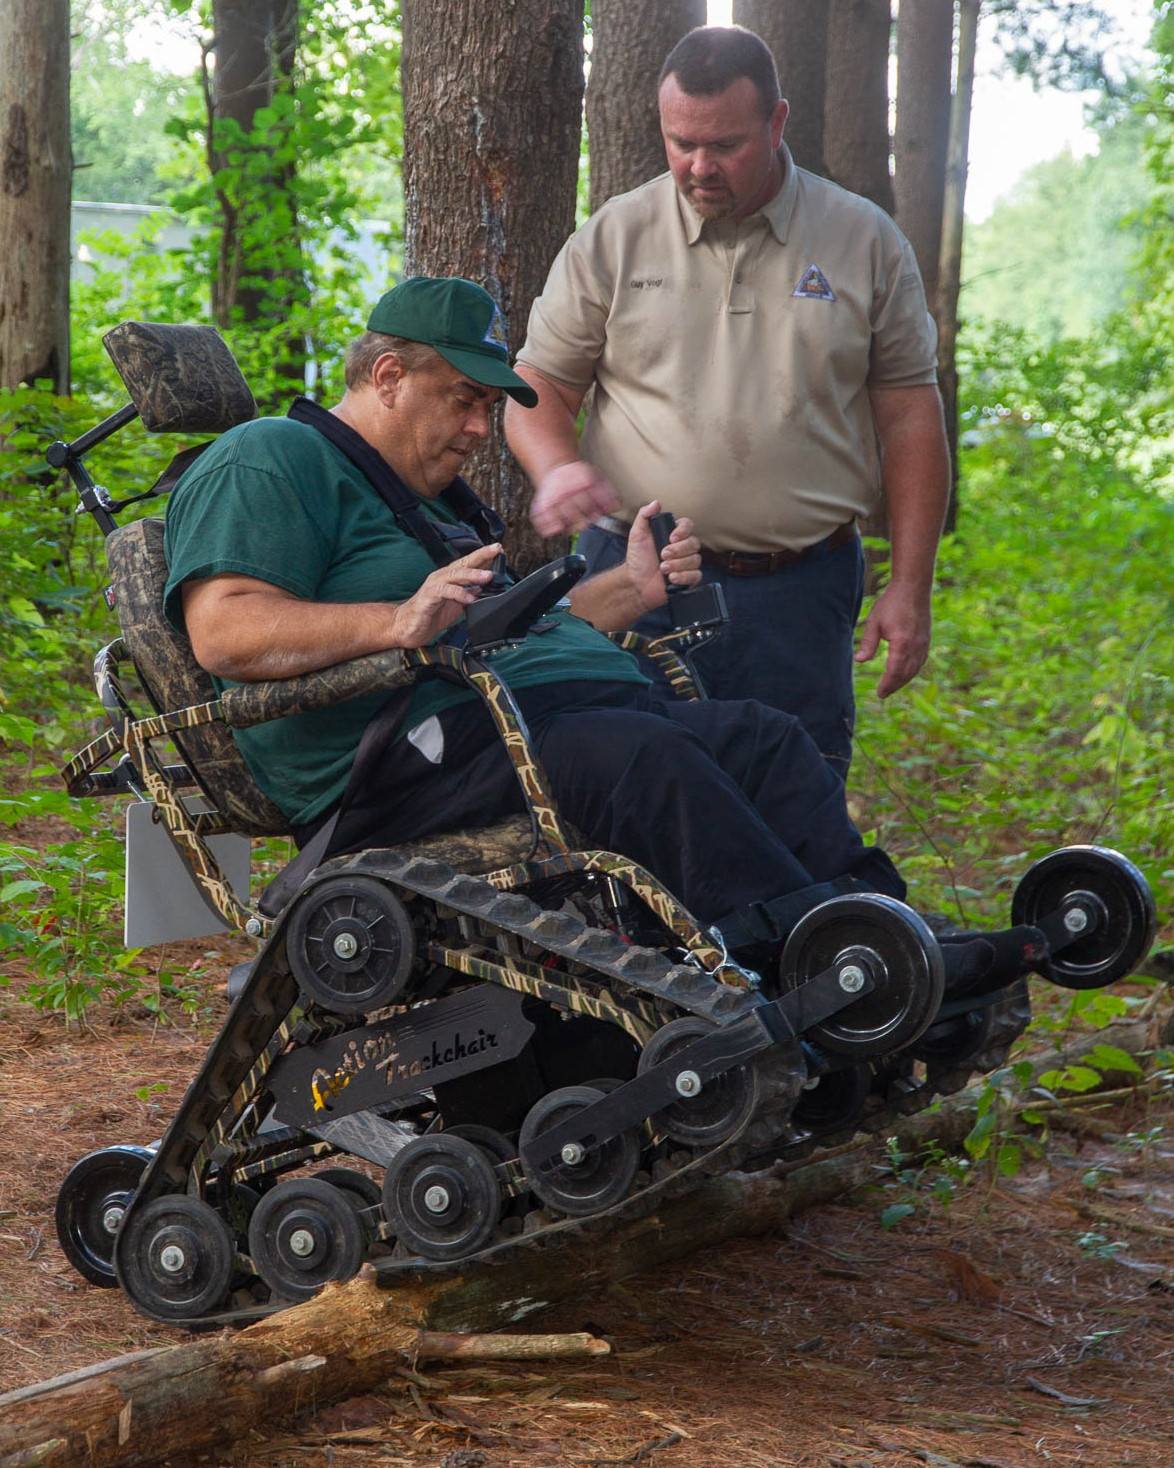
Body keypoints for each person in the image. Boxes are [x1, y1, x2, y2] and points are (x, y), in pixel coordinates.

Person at [162, 275, 910, 955]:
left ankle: (884, 934)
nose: (481, 430)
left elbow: (505, 627)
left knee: (764, 739)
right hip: (399, 762)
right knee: (640, 758)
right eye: (464, 398)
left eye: (488, 408)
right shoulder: (269, 455)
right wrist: (396, 621)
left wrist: (633, 589)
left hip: (517, 720)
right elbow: (226, 631)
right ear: (388, 377)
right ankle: (792, 964)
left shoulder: (428, 498)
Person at [504, 25, 950, 778]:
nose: (699, 166)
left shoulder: (861, 240)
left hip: (800, 588)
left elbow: (910, 416)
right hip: (630, 574)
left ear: (777, 123)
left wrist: (911, 585)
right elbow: (537, 388)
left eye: (725, 145)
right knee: (627, 795)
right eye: (681, 143)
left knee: (793, 799)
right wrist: (555, 466)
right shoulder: (616, 235)